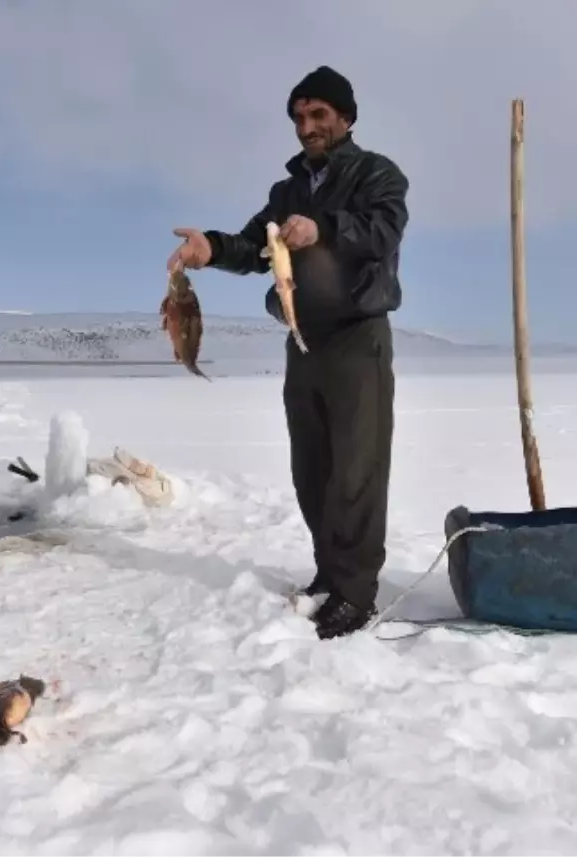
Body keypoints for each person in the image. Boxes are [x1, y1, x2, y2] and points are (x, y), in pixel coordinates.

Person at [166, 66, 409, 639]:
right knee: (313, 470)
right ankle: (329, 573)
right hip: (304, 340)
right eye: (299, 118)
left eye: (319, 115)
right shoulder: (287, 190)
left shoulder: (378, 174)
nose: (308, 127)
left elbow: (381, 231)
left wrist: (321, 228)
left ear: (346, 117)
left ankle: (355, 592)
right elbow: (254, 246)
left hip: (357, 337)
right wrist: (211, 248)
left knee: (357, 470)